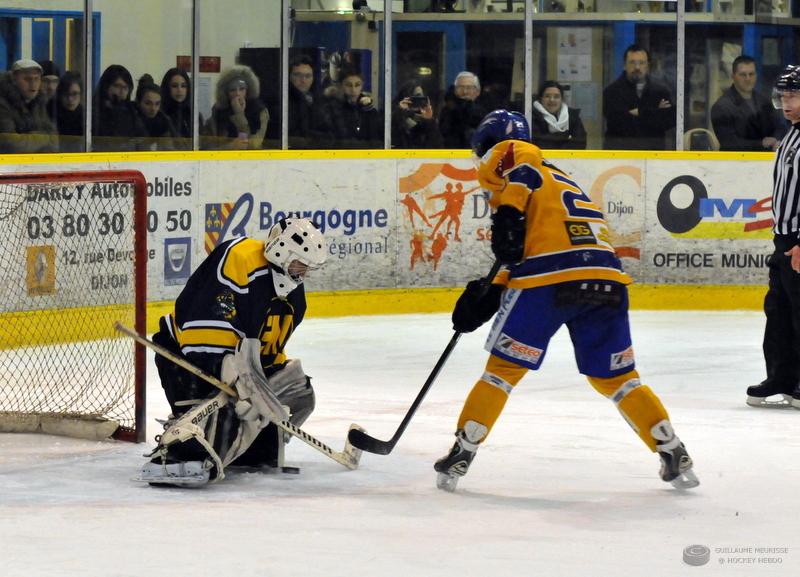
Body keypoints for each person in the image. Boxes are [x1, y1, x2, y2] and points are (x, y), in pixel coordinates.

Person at [434, 109, 699, 492]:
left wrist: (507, 213)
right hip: (606, 280)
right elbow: (534, 246)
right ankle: (671, 449)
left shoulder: (512, 154)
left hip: (548, 281)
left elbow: (520, 160)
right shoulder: (561, 180)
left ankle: (462, 451)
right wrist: (491, 290)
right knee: (618, 379)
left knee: (502, 372)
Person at [140, 218, 327, 486]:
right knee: (223, 412)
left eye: (307, 267)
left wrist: (262, 392)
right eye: (300, 264)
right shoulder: (239, 259)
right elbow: (200, 339)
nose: (303, 273)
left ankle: (250, 448)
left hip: (236, 366)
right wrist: (238, 383)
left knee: (298, 393)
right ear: (282, 253)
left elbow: (268, 355)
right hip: (185, 360)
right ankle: (175, 458)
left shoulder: (294, 298)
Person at [746, 65, 800, 409]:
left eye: (794, 95)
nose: (787, 102)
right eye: (783, 96)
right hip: (783, 240)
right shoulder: (791, 133)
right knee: (778, 310)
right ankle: (782, 376)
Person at [602, 44, 676, 150]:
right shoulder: (611, 92)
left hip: (653, 155)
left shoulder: (660, 92)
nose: (637, 67)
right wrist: (654, 111)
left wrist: (638, 112)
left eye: (641, 63)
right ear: (624, 65)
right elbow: (620, 124)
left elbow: (669, 121)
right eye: (632, 63)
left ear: (648, 66)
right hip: (620, 155)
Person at [711, 55, 787, 152]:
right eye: (743, 75)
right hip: (735, 163)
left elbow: (780, 127)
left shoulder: (764, 101)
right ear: (733, 76)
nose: (748, 79)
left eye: (751, 74)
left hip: (767, 162)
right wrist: (762, 143)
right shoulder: (722, 107)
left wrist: (776, 140)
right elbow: (729, 143)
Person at [201, 64, 268, 150]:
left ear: (248, 90)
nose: (237, 93)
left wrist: (239, 115)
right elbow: (208, 143)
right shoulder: (218, 109)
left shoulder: (260, 111)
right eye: (232, 90)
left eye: (242, 89)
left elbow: (253, 145)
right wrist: (230, 146)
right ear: (226, 92)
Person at [0, 59, 58, 153]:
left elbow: (54, 140)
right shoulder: (2, 103)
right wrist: (43, 138)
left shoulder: (39, 101)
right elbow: (11, 144)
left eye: (36, 79)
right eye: (27, 79)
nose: (33, 84)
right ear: (14, 80)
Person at [92, 64, 147, 152]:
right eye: (117, 86)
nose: (121, 92)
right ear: (106, 87)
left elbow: (142, 138)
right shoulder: (93, 112)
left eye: (125, 88)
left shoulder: (131, 111)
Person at [328, 68, 383, 148]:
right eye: (348, 85)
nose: (353, 90)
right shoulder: (333, 109)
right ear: (341, 86)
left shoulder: (370, 111)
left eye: (357, 85)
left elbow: (376, 140)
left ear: (362, 86)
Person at [287, 55, 333, 149]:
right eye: (297, 75)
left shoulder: (319, 101)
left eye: (308, 76)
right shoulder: (282, 102)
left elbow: (329, 133)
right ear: (289, 76)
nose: (303, 80)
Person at [531, 80, 587, 149]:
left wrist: (549, 139)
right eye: (547, 96)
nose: (552, 100)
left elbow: (580, 143)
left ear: (562, 99)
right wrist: (565, 138)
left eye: (556, 96)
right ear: (541, 99)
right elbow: (536, 144)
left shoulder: (573, 117)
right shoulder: (532, 117)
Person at [439, 71, 488, 149]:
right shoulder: (447, 111)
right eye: (460, 87)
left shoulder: (485, 112)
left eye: (469, 88)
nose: (465, 92)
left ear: (477, 92)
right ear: (455, 91)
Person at [392, 80, 442, 149]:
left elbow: (437, 147)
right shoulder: (396, 119)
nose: (417, 101)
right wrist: (400, 112)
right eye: (414, 98)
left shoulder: (426, 122)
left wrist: (429, 121)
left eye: (420, 97)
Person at [135, 75, 178, 151]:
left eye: (157, 104)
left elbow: (169, 150)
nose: (153, 108)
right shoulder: (130, 118)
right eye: (148, 103)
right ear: (138, 102)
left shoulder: (163, 121)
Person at [160, 67, 192, 150]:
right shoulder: (160, 115)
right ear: (167, 88)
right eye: (174, 86)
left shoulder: (193, 115)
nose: (179, 90)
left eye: (183, 86)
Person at [53, 71, 84, 152]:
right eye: (66, 94)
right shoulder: (52, 112)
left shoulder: (86, 117)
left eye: (75, 94)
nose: (70, 99)